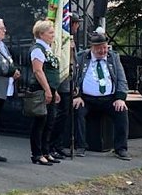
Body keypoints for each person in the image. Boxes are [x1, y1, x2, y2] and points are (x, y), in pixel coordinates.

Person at [72, 30, 131, 161]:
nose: (103, 51)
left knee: (122, 112)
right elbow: (74, 78)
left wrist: (120, 98)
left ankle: (121, 148)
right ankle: (80, 146)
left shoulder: (113, 57)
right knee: (77, 111)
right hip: (86, 98)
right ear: (92, 48)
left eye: (105, 47)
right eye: (99, 48)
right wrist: (76, 96)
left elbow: (121, 79)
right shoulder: (81, 57)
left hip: (108, 99)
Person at [0, 18, 21, 163]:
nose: (4, 31)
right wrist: (11, 71)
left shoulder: (3, 45)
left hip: (4, 87)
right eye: (1, 28)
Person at [27, 19, 61, 165]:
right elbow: (38, 70)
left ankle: (46, 151)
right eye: (50, 32)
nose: (53, 35)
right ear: (41, 34)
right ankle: (37, 153)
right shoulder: (37, 49)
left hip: (50, 89)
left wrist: (55, 91)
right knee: (40, 121)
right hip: (41, 90)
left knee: (50, 122)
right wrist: (47, 90)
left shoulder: (47, 48)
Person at [50, 13, 81, 157]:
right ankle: (52, 145)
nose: (77, 26)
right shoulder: (62, 39)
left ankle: (59, 144)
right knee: (59, 115)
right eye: (76, 23)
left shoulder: (72, 40)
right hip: (62, 83)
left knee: (65, 115)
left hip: (69, 82)